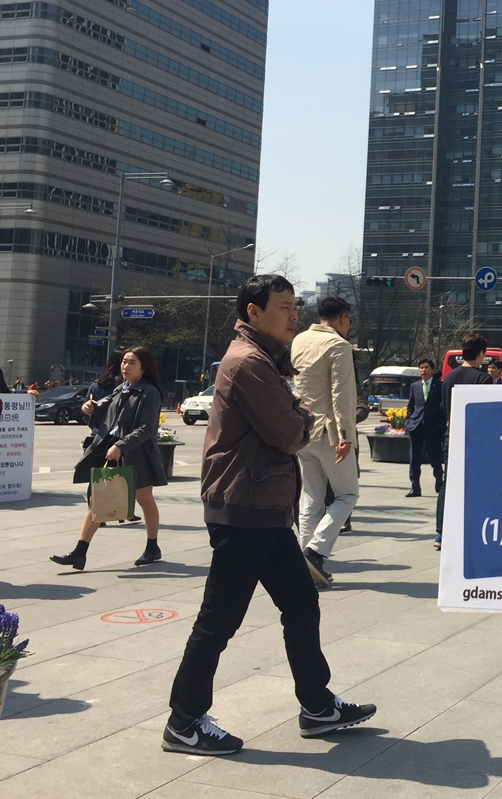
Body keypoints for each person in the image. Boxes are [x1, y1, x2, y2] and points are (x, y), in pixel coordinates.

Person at [162, 275, 376, 756]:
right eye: (282, 306)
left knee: (300, 602)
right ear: (253, 312)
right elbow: (290, 431)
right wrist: (302, 415)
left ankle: (317, 706)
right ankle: (184, 721)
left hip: (263, 505)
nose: (292, 313)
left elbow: (292, 417)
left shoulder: (265, 360)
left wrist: (298, 411)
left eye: (293, 305)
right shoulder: (249, 363)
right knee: (218, 620)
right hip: (243, 507)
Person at [52, 346, 168, 569]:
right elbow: (105, 411)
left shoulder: (149, 393)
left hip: (138, 455)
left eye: (132, 362)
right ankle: (80, 551)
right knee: (98, 500)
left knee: (144, 500)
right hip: (112, 451)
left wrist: (122, 445)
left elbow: (146, 428)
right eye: (124, 362)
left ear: (143, 368)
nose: (126, 366)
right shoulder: (121, 388)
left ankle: (152, 547)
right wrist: (90, 408)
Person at [290, 296, 359, 589]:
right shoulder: (338, 346)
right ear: (342, 317)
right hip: (330, 432)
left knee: (310, 497)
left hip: (302, 429)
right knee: (347, 495)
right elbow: (341, 393)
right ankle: (316, 551)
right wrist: (346, 435)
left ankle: (306, 564)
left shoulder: (299, 341)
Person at [436, 333, 493, 550]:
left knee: (448, 484)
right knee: (476, 485)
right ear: (481, 354)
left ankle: (441, 532)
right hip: (476, 440)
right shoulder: (483, 379)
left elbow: (444, 408)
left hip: (453, 436)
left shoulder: (449, 378)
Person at [404, 358, 444, 499]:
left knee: (435, 458)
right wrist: (409, 421)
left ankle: (439, 481)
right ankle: (415, 487)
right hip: (416, 426)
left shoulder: (440, 386)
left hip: (433, 427)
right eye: (421, 368)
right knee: (414, 458)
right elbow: (411, 405)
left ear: (432, 370)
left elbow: (443, 406)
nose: (423, 370)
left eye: (426, 367)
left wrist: (440, 424)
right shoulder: (414, 386)